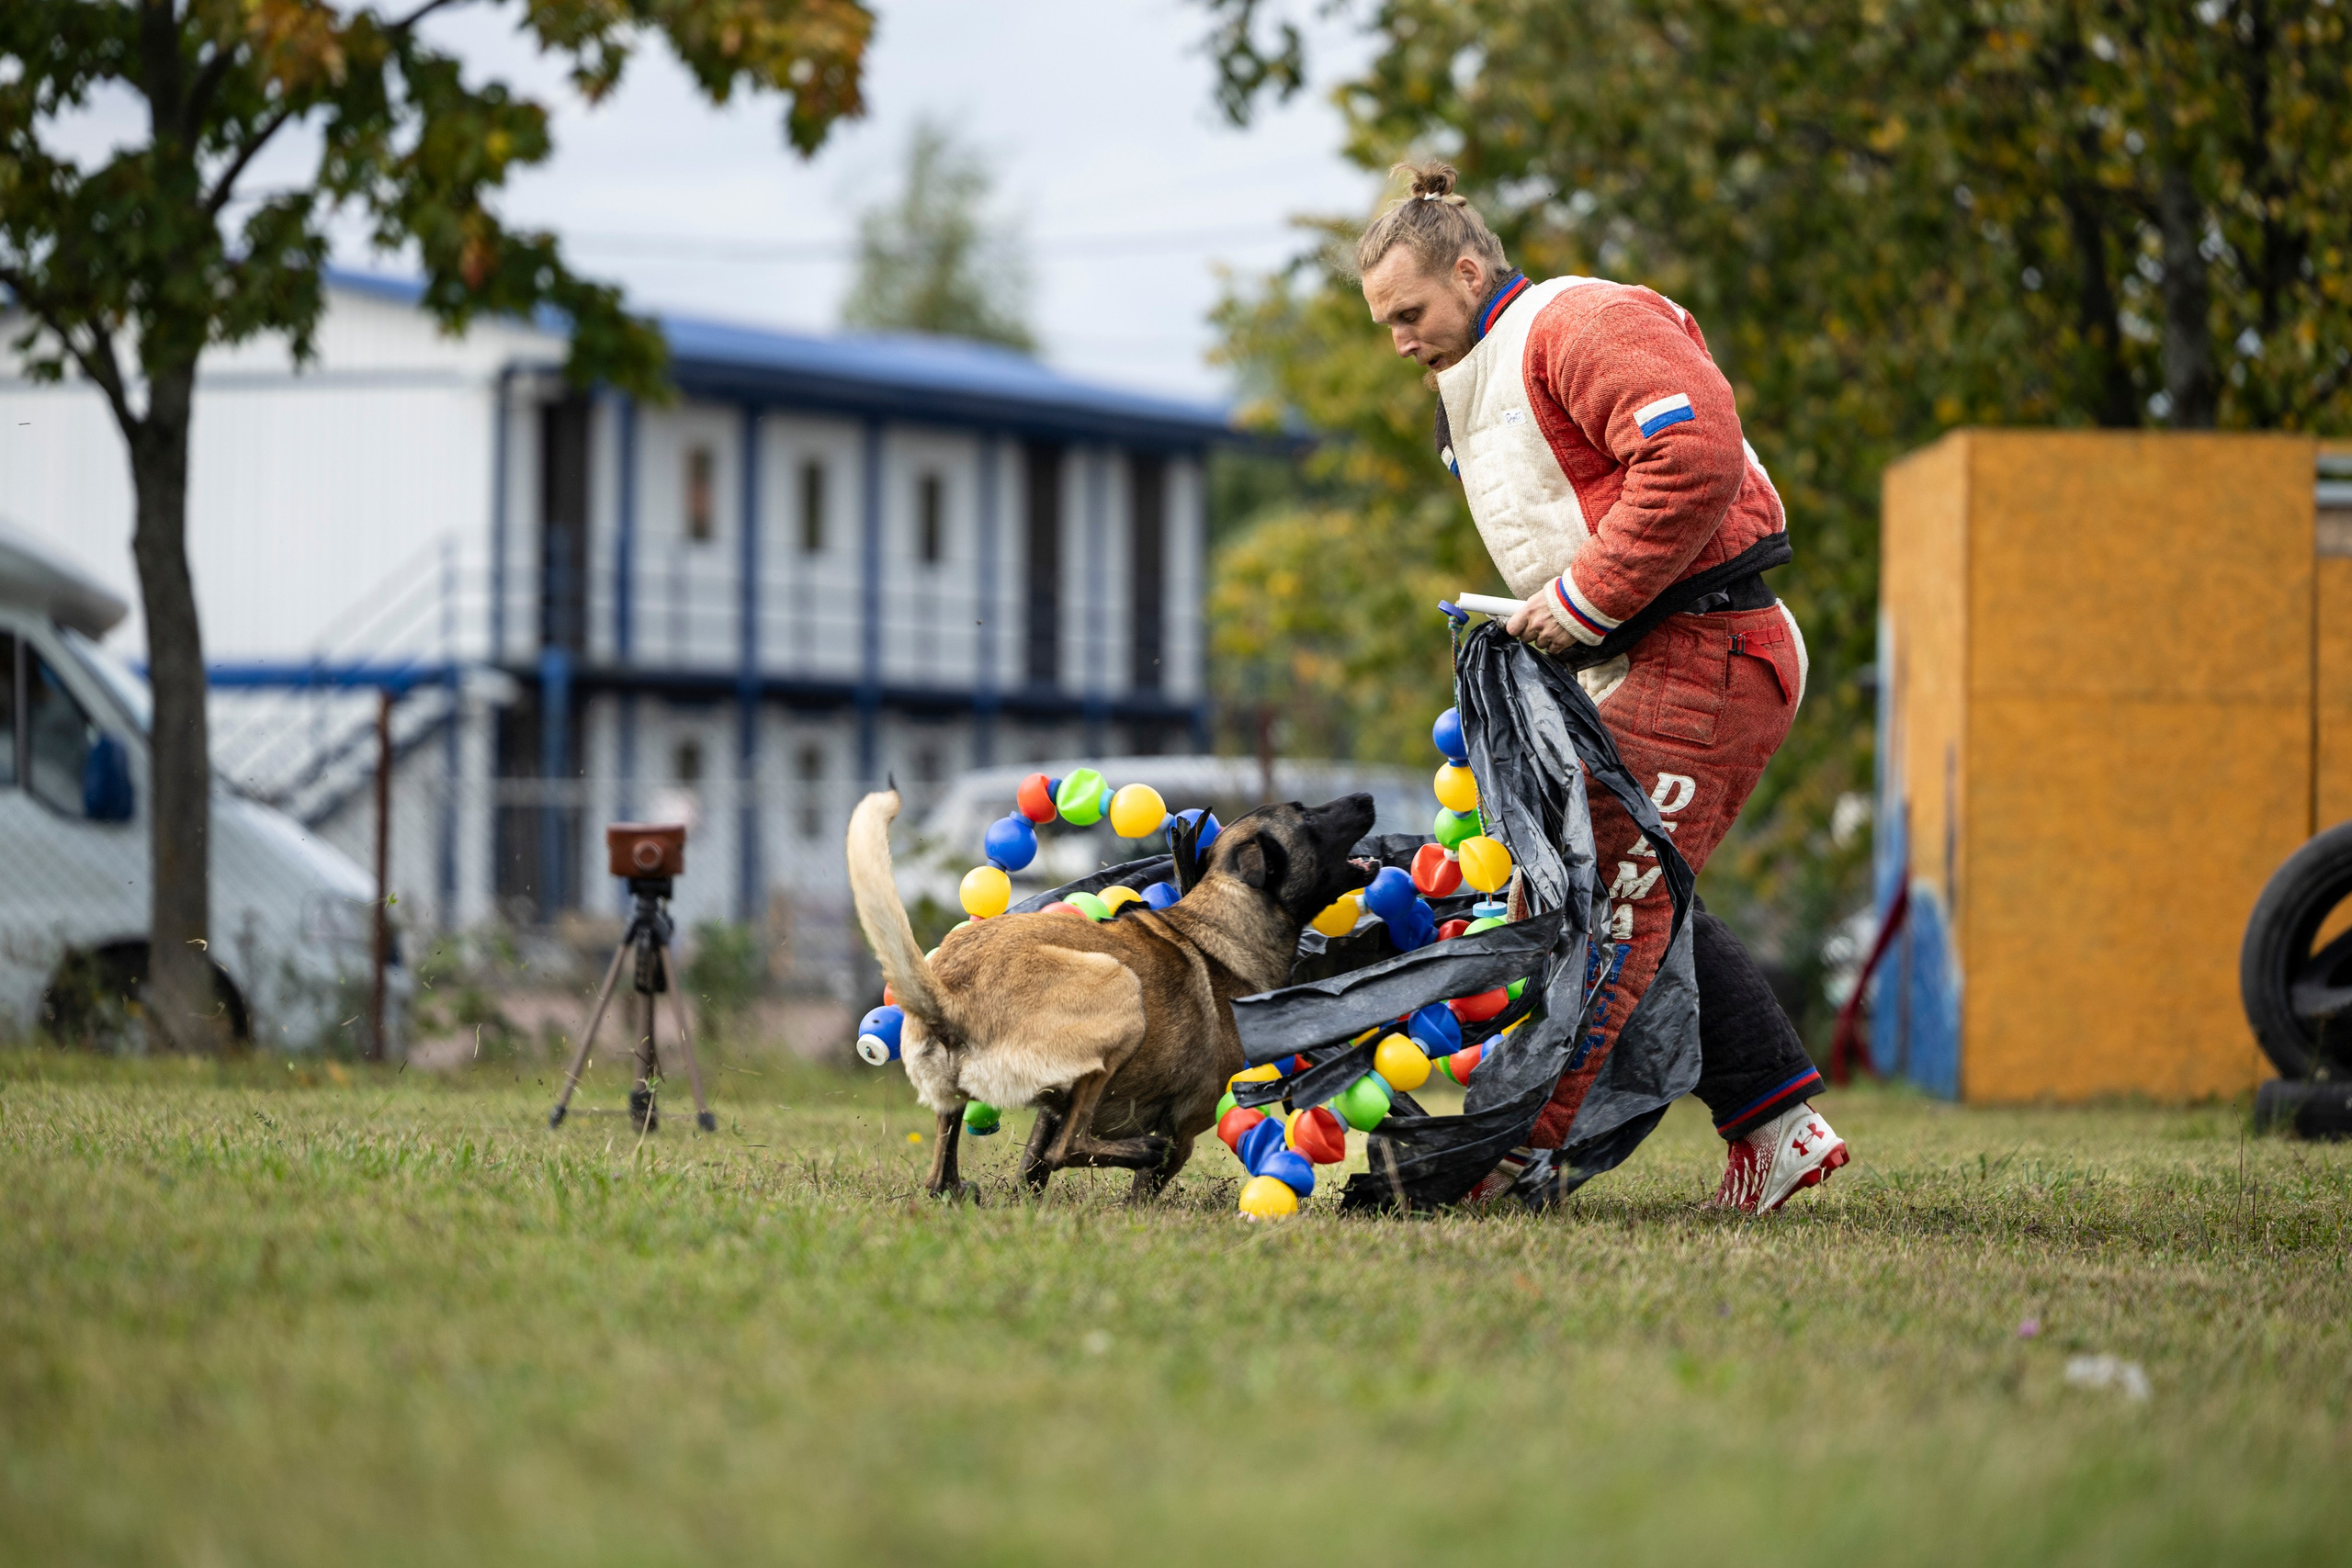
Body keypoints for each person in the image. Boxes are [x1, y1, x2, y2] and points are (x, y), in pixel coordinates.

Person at [1357, 162, 1847, 1214]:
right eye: (1383, 323)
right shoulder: (1477, 375)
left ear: (1469, 271)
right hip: (1651, 653)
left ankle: (1503, 1162)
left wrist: (1580, 600)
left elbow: (1693, 452)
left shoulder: (1574, 322)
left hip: (1708, 650)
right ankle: (1777, 1124)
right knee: (1624, 894)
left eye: (1408, 313)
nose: (1397, 341)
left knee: (1599, 909)